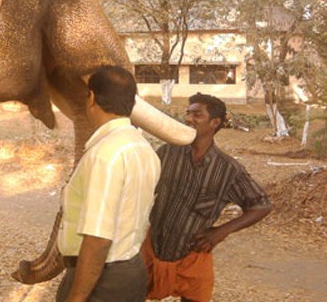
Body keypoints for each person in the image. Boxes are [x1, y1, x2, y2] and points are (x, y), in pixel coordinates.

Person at [142, 93, 273, 302]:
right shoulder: (167, 153)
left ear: (215, 122)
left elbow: (262, 205)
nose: (188, 119)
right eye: (187, 113)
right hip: (152, 249)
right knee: (128, 292)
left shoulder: (228, 170)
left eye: (197, 115)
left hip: (193, 257)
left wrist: (221, 231)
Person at [56, 66, 161, 302]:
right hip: (131, 271)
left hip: (102, 281)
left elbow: (98, 239)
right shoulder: (144, 149)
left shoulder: (105, 155)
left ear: (91, 98)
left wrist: (76, 298)